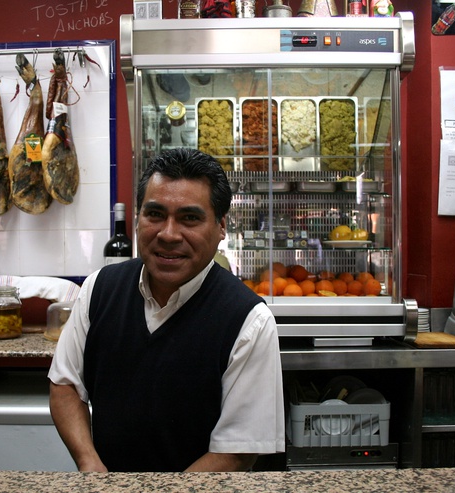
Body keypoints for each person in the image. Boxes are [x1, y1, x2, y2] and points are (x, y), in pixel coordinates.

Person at [48, 147, 284, 472]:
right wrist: (90, 466)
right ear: (138, 216)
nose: (168, 234)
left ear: (220, 227)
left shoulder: (249, 321)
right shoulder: (99, 289)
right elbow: (65, 385)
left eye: (190, 218)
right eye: (155, 214)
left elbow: (237, 452)